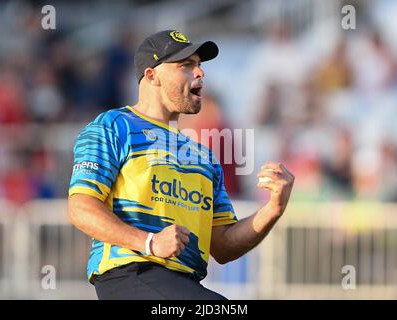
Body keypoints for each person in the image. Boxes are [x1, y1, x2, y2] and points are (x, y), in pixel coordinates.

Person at [67, 30, 295, 300]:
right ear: (152, 76)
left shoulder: (204, 156)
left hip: (183, 284)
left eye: (199, 65)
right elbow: (80, 208)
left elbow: (222, 246)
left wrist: (273, 208)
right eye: (186, 65)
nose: (200, 73)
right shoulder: (113, 126)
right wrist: (149, 243)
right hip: (131, 274)